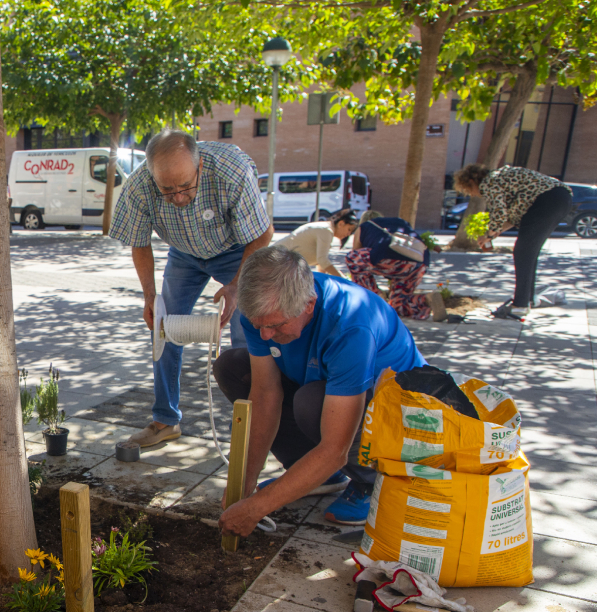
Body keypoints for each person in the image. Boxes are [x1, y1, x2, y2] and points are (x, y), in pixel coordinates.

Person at [214, 246, 426, 531]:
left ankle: (371, 481)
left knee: (311, 402)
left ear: (309, 305)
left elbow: (335, 447)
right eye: (257, 325)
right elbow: (265, 395)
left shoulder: (351, 325)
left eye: (275, 326)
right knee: (232, 367)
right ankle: (319, 475)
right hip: (326, 389)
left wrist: (256, 509)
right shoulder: (264, 312)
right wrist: (244, 482)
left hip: (403, 418)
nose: (265, 335)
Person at [109, 129, 273, 448]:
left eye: (185, 186)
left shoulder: (231, 171)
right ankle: (165, 421)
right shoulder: (139, 186)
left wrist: (236, 285)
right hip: (184, 254)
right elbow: (140, 245)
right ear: (152, 174)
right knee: (164, 328)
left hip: (237, 251)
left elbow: (262, 235)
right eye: (167, 190)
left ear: (199, 166)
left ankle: (256, 426)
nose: (179, 196)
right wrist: (149, 296)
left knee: (247, 336)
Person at [453, 164, 574, 320]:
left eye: (469, 190)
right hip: (560, 199)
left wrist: (489, 235)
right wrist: (491, 235)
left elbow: (499, 212)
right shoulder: (502, 180)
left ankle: (520, 305)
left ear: (472, 181)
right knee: (528, 251)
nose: (474, 194)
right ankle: (527, 299)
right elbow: (509, 218)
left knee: (523, 251)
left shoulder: (490, 182)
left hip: (547, 200)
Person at [345, 210, 432, 319]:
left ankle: (372, 299)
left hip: (390, 257)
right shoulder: (399, 222)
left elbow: (358, 259)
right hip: (419, 262)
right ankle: (425, 300)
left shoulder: (364, 226)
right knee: (397, 306)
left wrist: (373, 286)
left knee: (352, 257)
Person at [274, 208, 359, 279]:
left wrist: (325, 278)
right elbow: (322, 260)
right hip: (277, 262)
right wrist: (342, 279)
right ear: (341, 223)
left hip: (283, 265)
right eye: (349, 229)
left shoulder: (326, 230)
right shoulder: (326, 231)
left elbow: (321, 263)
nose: (349, 234)